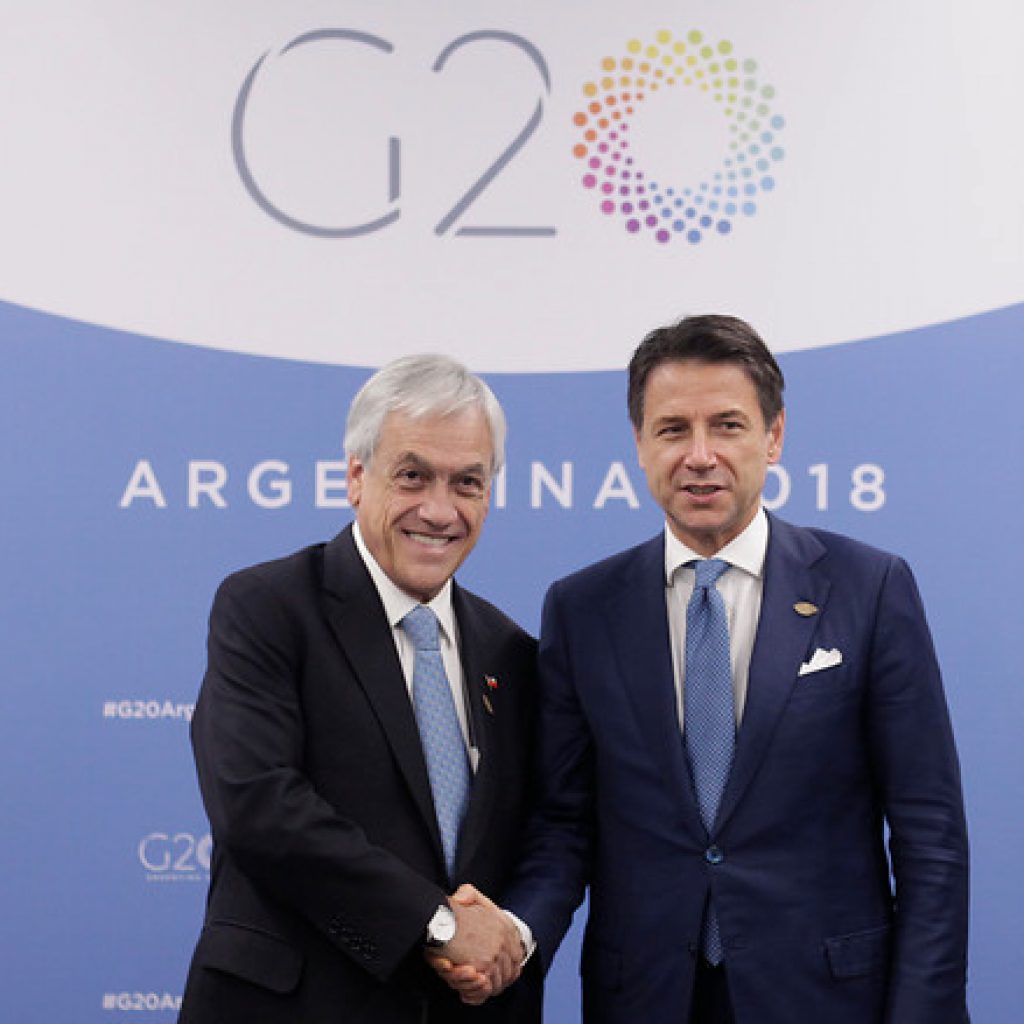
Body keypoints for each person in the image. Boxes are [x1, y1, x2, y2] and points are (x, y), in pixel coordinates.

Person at [452, 315, 970, 1022]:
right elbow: (564, 824)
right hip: (645, 998)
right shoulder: (582, 609)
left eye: (727, 426)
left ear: (774, 436)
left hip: (826, 997)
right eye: (673, 430)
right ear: (640, 445)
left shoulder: (869, 589)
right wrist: (515, 932)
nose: (700, 456)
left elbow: (930, 835)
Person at [178, 354, 540, 1024]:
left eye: (467, 482)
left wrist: (511, 935)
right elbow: (258, 804)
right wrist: (437, 923)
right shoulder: (267, 607)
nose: (439, 509)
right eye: (412, 476)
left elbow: (541, 835)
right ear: (355, 476)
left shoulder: (511, 652)